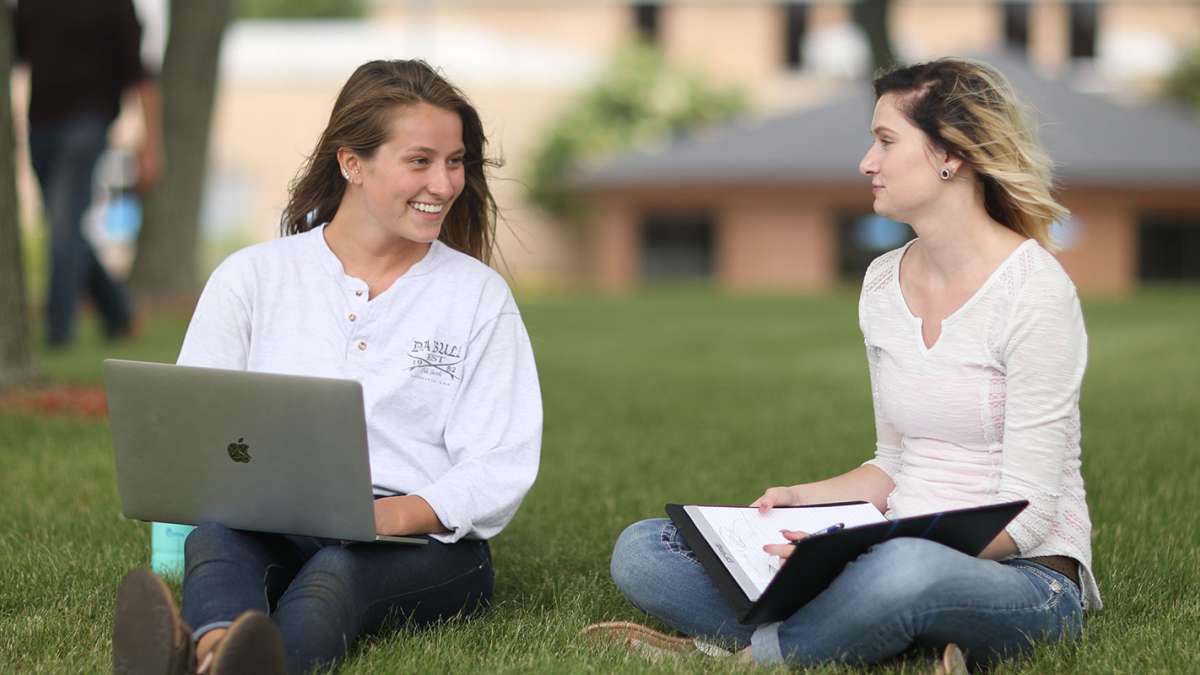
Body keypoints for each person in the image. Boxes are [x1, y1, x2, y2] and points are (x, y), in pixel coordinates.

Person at [584, 57, 1099, 672]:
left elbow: (1032, 512)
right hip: (887, 551)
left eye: (885, 140)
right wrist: (803, 500)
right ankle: (873, 635)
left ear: (950, 155)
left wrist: (872, 548)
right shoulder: (884, 283)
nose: (866, 162)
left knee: (905, 571)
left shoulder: (1034, 290)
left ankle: (758, 657)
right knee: (645, 549)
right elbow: (895, 463)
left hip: (1021, 577)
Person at [110, 59, 542, 675]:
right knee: (217, 541)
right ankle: (214, 654)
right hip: (274, 520)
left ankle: (199, 660)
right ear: (351, 163)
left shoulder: (477, 298)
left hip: (424, 543)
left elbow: (500, 466)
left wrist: (388, 515)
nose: (445, 184)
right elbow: (194, 431)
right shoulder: (252, 278)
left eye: (455, 161)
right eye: (420, 161)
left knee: (338, 576)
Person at [13, 0, 162, 347]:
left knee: (64, 224)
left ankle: (58, 332)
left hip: (88, 123)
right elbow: (17, 50)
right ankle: (118, 311)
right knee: (65, 228)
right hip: (40, 127)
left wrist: (151, 145)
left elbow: (141, 75)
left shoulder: (115, 6)